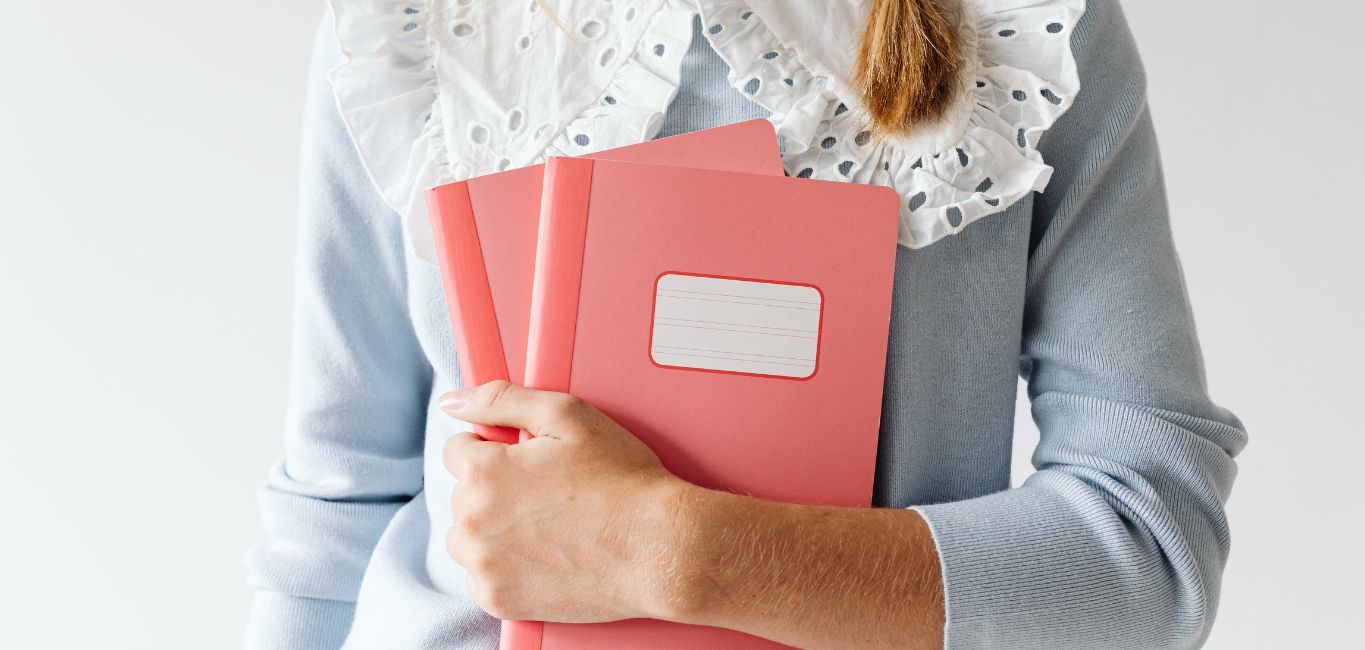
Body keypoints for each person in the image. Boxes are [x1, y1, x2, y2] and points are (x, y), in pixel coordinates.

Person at [245, 1, 1247, 648]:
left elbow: (1149, 538)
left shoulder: (1027, 30)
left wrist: (674, 549)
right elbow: (335, 507)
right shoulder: (417, 30)